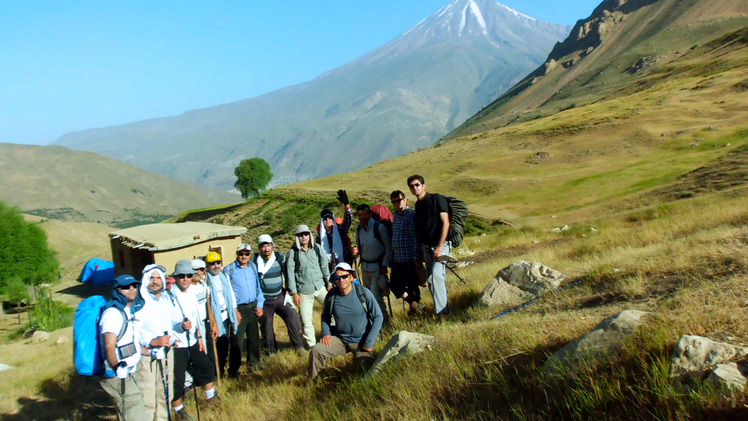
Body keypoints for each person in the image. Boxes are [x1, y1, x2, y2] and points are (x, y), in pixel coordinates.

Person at [308, 263, 384, 380]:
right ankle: (314, 382)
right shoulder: (331, 296)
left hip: (362, 343)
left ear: (352, 277)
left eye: (345, 276)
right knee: (316, 351)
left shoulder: (364, 293)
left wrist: (368, 343)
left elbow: (378, 316)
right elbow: (326, 317)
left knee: (368, 373)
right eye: (337, 278)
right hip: (341, 340)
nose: (341, 280)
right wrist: (326, 333)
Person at [135, 264, 185, 421]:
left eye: (158, 278)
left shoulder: (165, 299)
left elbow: (172, 322)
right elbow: (135, 331)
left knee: (165, 393)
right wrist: (153, 341)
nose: (155, 281)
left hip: (166, 352)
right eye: (152, 278)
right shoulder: (139, 302)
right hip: (147, 356)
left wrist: (180, 328)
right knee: (148, 397)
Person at [169, 260, 218, 419]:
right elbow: (167, 320)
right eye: (182, 276)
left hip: (193, 340)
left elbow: (196, 316)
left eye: (188, 275)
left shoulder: (191, 292)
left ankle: (211, 397)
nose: (185, 279)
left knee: (206, 366)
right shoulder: (169, 296)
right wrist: (180, 327)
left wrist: (199, 337)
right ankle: (179, 411)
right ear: (176, 277)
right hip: (177, 344)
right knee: (178, 379)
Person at [99, 274, 147, 421]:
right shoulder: (112, 313)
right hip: (117, 374)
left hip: (131, 371)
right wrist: (117, 366)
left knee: (128, 413)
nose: (131, 289)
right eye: (126, 287)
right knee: (135, 413)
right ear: (117, 290)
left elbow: (130, 342)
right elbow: (109, 345)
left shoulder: (129, 312)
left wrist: (150, 351)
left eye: (134, 286)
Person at [252, 234, 306, 355]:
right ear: (259, 247)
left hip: (280, 296)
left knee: (293, 317)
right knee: (267, 328)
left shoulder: (280, 258)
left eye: (268, 245)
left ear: (273, 245)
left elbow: (288, 275)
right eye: (263, 246)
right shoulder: (254, 261)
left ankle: (299, 346)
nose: (266, 249)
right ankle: (270, 352)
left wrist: (288, 291)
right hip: (264, 300)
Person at [408, 174, 451, 316]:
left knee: (436, 277)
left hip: (441, 245)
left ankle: (442, 314)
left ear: (423, 185)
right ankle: (442, 310)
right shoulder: (418, 205)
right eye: (412, 186)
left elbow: (446, 222)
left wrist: (440, 246)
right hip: (427, 248)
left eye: (417, 184)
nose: (415, 188)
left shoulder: (436, 199)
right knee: (432, 281)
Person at [287, 224, 330, 348]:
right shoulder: (293, 253)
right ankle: (312, 346)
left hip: (320, 287)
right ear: (297, 237)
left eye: (306, 234)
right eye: (301, 235)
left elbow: (324, 266)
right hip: (304, 291)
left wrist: (329, 283)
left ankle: (332, 336)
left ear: (309, 235)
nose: (304, 237)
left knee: (332, 310)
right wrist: (294, 293)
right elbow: (290, 274)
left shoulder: (316, 248)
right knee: (306, 321)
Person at [224, 243, 264, 376]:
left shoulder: (253, 267)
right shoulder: (229, 270)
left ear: (250, 254)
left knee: (254, 338)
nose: (244, 256)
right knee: (237, 340)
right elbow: (227, 293)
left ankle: (254, 364)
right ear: (237, 254)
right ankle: (234, 370)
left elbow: (258, 287)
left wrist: (260, 304)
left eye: (247, 254)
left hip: (252, 306)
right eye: (241, 253)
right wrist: (234, 310)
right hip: (239, 309)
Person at [204, 251, 240, 379]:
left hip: (226, 315)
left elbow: (230, 293)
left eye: (218, 263)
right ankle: (216, 373)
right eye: (212, 264)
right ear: (207, 266)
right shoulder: (206, 280)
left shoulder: (223, 276)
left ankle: (224, 370)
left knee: (225, 344)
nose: (216, 266)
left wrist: (234, 310)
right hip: (214, 318)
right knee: (218, 346)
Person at [355, 204, 392, 324]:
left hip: (377, 267)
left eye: (364, 214)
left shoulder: (379, 227)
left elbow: (388, 248)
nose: (362, 217)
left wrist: (384, 266)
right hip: (365, 267)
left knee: (376, 296)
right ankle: (374, 320)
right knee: (367, 296)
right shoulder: (359, 229)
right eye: (360, 215)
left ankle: (384, 320)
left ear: (369, 214)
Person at [389, 190, 422, 314]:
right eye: (394, 202)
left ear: (405, 200)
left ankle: (416, 313)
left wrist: (416, 258)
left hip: (409, 259)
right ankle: (413, 304)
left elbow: (415, 238)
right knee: (394, 285)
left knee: (413, 287)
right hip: (398, 259)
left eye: (399, 200)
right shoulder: (396, 215)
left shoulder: (411, 215)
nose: (397, 203)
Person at [190, 258, 218, 367]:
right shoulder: (188, 289)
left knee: (208, 348)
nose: (200, 273)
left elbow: (209, 306)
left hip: (205, 321)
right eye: (197, 270)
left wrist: (213, 323)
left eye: (202, 270)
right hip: (195, 324)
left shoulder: (204, 286)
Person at [317, 189, 354, 270]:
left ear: (333, 219)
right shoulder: (320, 237)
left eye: (330, 218)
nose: (328, 220)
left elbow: (348, 220)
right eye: (325, 218)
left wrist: (347, 205)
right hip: (327, 267)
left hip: (343, 263)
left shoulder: (340, 231)